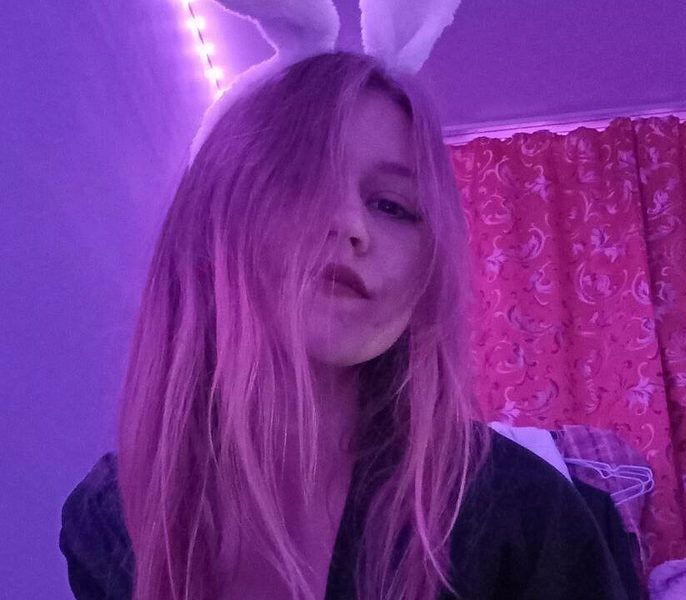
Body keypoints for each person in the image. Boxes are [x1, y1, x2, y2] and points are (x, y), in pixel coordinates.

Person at [59, 51, 630, 600]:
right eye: (302, 181)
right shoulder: (110, 519)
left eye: (394, 206)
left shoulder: (527, 515)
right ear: (210, 220)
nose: (351, 224)